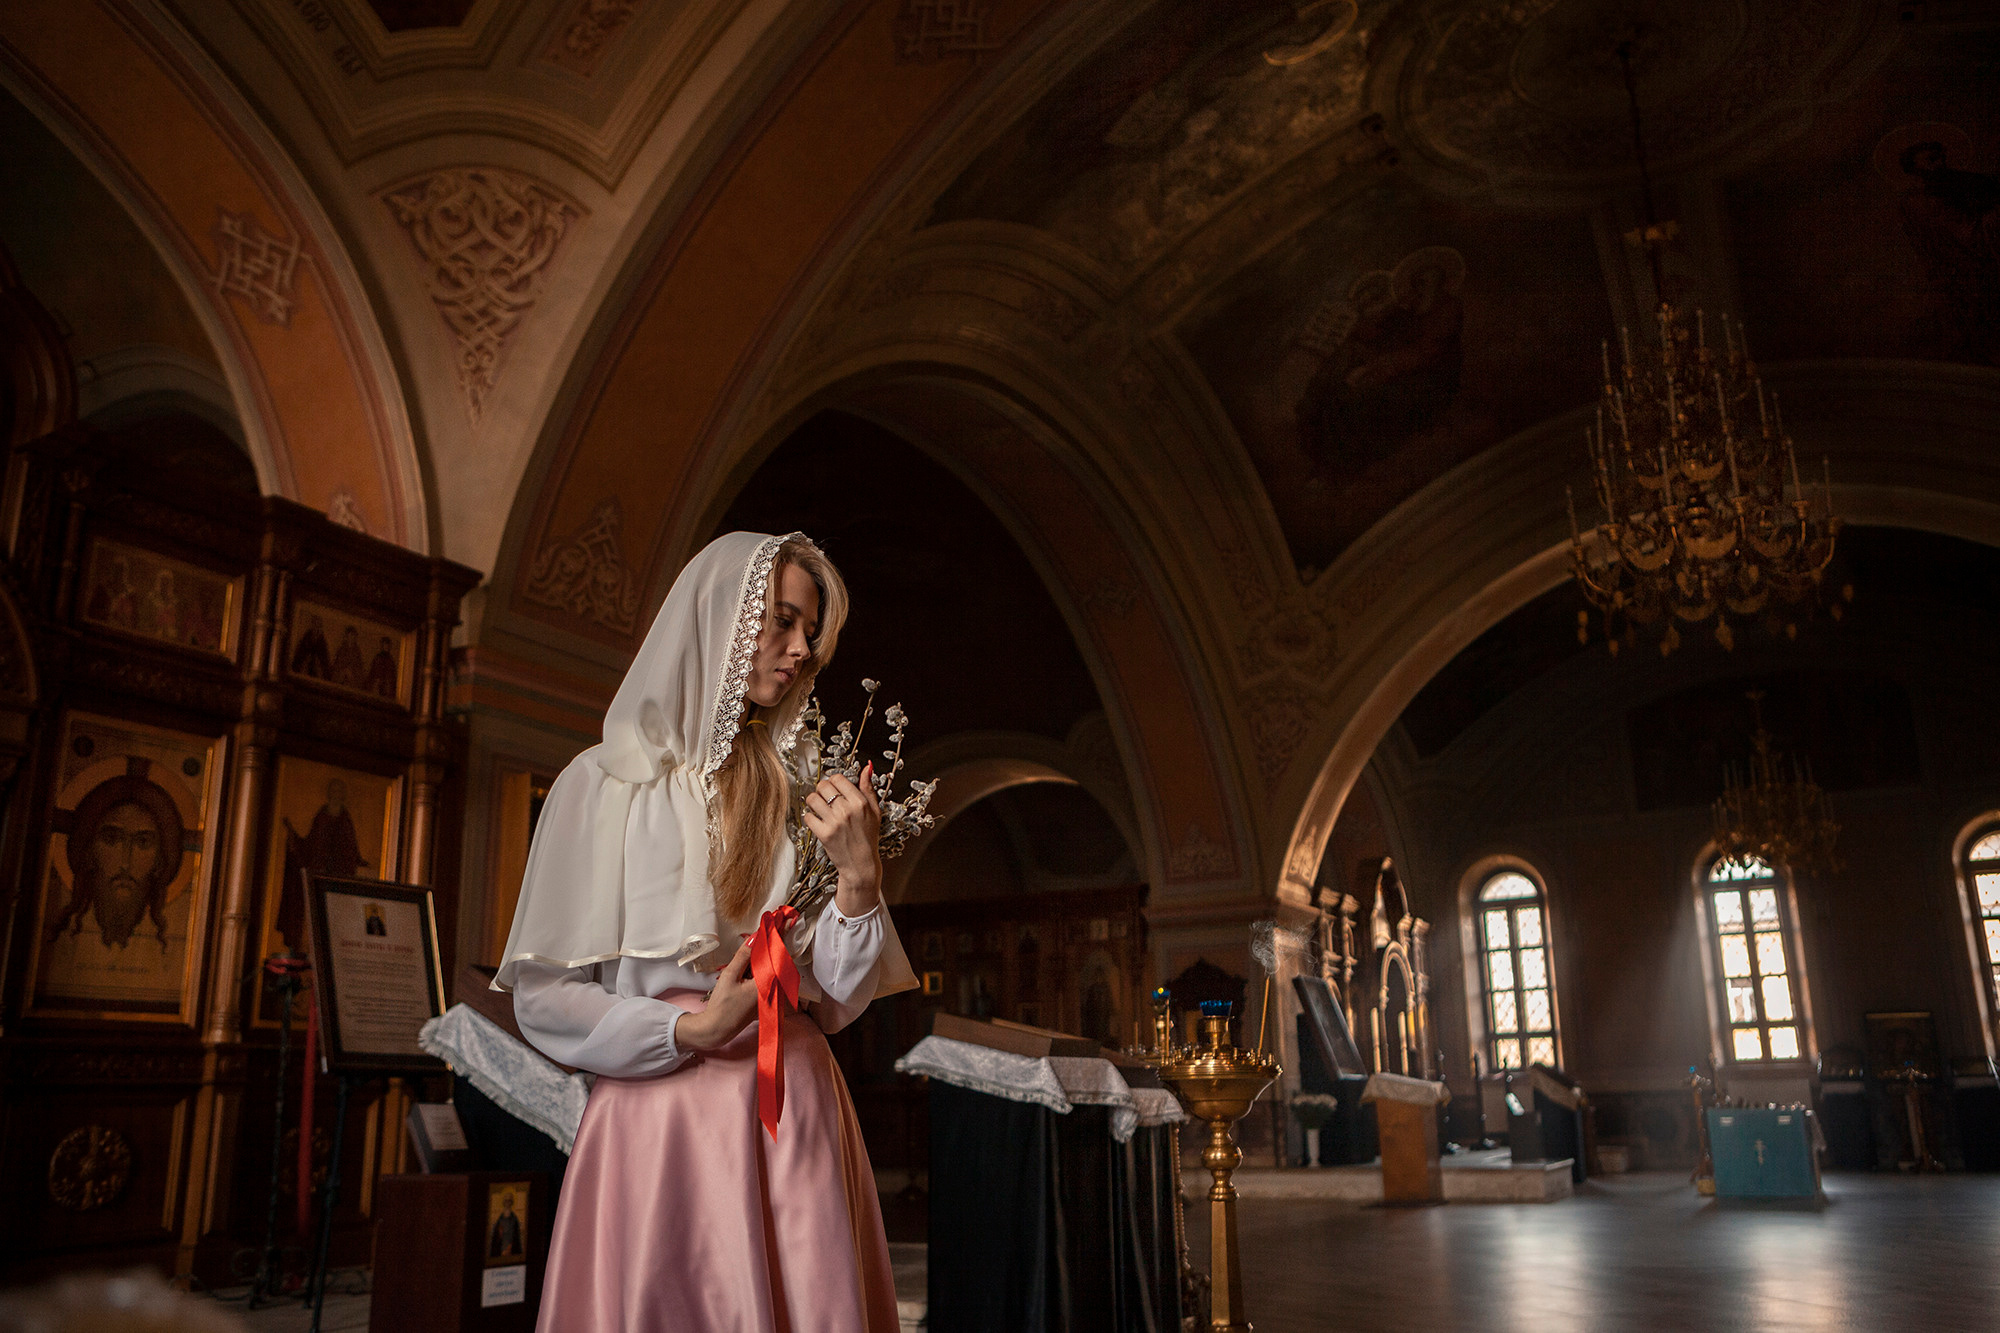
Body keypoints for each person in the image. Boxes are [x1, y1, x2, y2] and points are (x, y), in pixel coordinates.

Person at [496, 531, 914, 1333]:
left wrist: (859, 880)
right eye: (782, 621)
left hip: (791, 1106)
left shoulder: (797, 790)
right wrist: (689, 1027)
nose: (799, 651)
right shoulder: (598, 786)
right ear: (717, 617)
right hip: (660, 1122)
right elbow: (545, 997)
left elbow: (830, 998)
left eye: (811, 635)